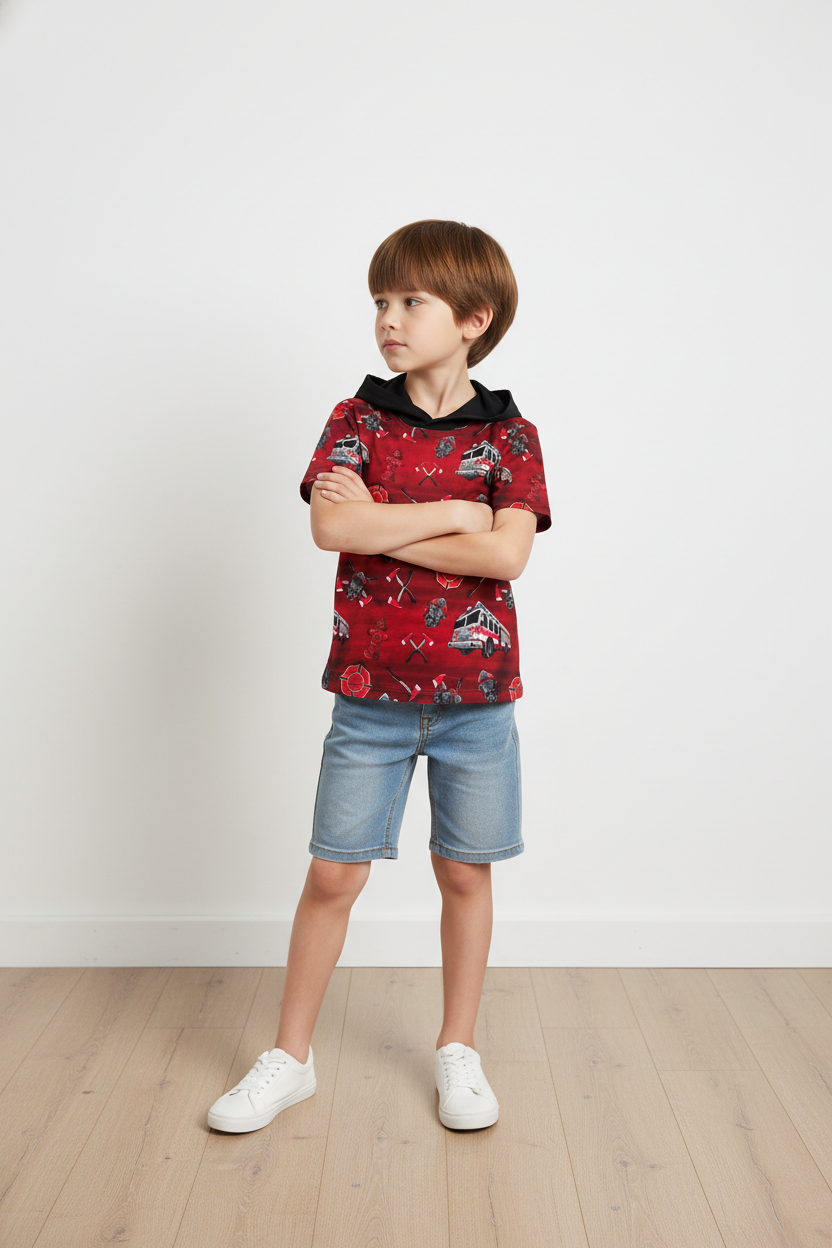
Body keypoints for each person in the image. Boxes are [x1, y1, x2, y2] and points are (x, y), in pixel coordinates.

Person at [207, 219, 551, 1134]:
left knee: (465, 875)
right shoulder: (354, 421)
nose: (387, 320)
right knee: (332, 876)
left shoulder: (512, 436)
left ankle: (458, 1049)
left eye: (410, 302)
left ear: (473, 319)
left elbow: (507, 556)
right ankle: (290, 1057)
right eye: (379, 302)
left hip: (479, 702)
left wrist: (389, 523)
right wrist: (456, 512)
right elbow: (332, 529)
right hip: (368, 696)